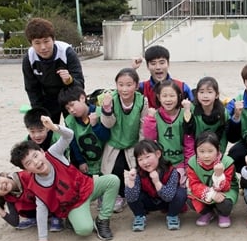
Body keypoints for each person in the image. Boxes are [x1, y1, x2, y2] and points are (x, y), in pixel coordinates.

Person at [10, 121, 119, 241]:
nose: (35, 162)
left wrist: (54, 127)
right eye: (29, 163)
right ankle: (72, 219)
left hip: (87, 186)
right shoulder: (36, 185)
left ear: (41, 151)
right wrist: (42, 238)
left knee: (112, 180)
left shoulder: (53, 153)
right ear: (26, 169)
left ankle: (102, 220)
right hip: (74, 204)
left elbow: (69, 135)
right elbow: (41, 210)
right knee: (85, 230)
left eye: (35, 156)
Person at [99, 67, 145, 211]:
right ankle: (114, 195)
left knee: (133, 170)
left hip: (132, 144)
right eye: (120, 84)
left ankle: (126, 195)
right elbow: (108, 124)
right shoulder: (111, 99)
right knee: (114, 170)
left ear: (136, 85)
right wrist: (107, 109)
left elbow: (143, 126)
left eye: (129, 85)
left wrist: (141, 148)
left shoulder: (142, 101)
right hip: (114, 144)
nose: (124, 89)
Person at [21, 17, 84, 122]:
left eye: (46, 41)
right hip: (46, 99)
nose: (43, 47)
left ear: (53, 39)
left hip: (69, 96)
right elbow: (32, 89)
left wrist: (70, 80)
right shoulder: (29, 58)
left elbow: (80, 85)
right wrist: (38, 112)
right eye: (37, 43)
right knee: (47, 132)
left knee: (75, 129)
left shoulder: (67, 52)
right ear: (31, 43)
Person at [124, 139, 187, 232]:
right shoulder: (137, 173)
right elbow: (131, 198)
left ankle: (172, 215)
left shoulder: (171, 171)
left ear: (158, 154)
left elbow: (169, 197)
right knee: (131, 190)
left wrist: (157, 182)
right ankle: (140, 216)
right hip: (149, 202)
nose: (145, 162)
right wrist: (131, 182)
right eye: (140, 159)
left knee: (181, 193)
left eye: (147, 157)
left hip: (167, 202)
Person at [142, 80, 194, 180]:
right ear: (158, 97)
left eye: (172, 96)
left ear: (179, 96)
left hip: (180, 163)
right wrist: (150, 119)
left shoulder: (184, 114)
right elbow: (149, 139)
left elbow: (189, 143)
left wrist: (189, 167)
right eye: (164, 96)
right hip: (162, 164)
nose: (168, 99)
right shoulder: (155, 116)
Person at [186, 131, 239, 228]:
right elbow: (194, 184)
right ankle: (208, 213)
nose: (206, 155)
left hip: (226, 191)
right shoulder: (192, 163)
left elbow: (227, 186)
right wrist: (211, 194)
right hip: (204, 191)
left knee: (225, 204)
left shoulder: (227, 162)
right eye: (201, 151)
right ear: (196, 150)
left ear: (218, 149)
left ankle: (223, 214)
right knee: (190, 199)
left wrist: (219, 175)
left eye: (210, 151)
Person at [58, 86, 109, 176]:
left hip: (105, 160)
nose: (71, 110)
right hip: (86, 162)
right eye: (68, 108)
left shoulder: (100, 113)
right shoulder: (70, 121)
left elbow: (107, 137)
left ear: (82, 98)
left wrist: (96, 126)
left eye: (72, 105)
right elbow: (73, 144)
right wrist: (81, 161)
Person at [135, 43, 193, 108]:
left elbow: (194, 109)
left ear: (168, 64)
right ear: (147, 66)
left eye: (162, 63)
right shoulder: (141, 88)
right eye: (153, 63)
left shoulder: (182, 87)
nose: (158, 67)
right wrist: (133, 69)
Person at [187, 77, 229, 154]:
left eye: (209, 92)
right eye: (201, 92)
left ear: (217, 95)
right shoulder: (191, 110)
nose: (205, 96)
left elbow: (223, 137)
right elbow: (188, 134)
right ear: (196, 94)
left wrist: (220, 154)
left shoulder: (223, 113)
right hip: (195, 150)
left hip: (215, 150)